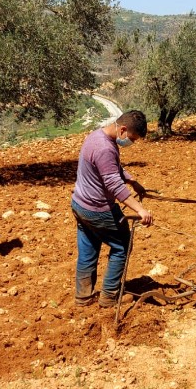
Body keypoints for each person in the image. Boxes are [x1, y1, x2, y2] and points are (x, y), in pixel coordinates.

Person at [71, 110, 153, 307]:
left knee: (88, 248)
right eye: (131, 138)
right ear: (123, 129)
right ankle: (109, 297)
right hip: (98, 210)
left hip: (79, 205)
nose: (130, 142)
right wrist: (140, 210)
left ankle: (83, 296)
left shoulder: (97, 136)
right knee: (122, 246)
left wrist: (133, 181)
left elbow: (112, 168)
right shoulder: (105, 148)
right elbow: (113, 185)